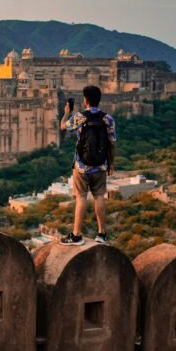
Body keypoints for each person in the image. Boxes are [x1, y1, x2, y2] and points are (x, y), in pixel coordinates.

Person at [59, 85, 116, 246]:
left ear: (85, 101)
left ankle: (76, 235)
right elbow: (112, 143)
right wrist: (111, 163)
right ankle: (102, 234)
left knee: (81, 197)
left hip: (81, 166)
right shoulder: (108, 119)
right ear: (99, 100)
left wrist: (66, 113)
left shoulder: (80, 117)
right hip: (101, 165)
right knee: (99, 197)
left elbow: (63, 127)